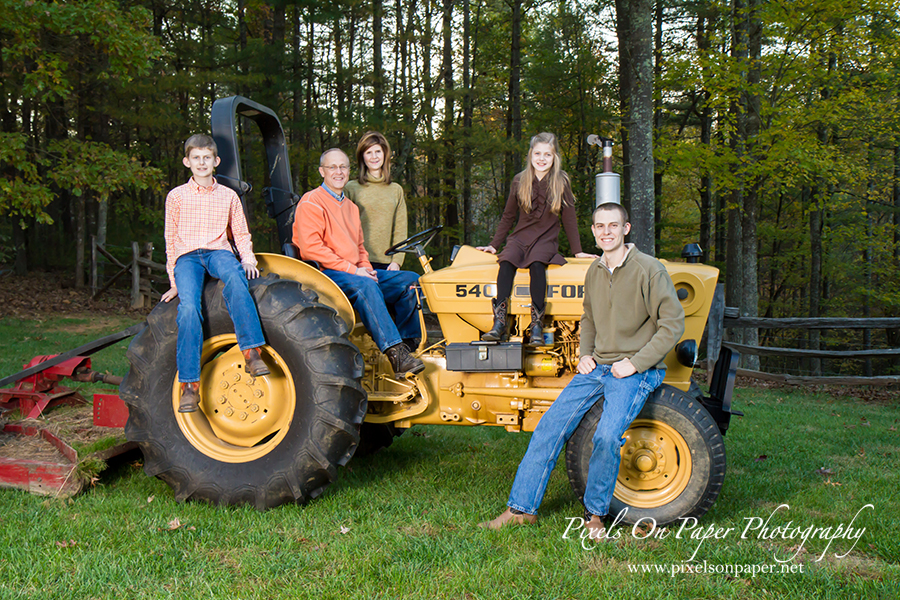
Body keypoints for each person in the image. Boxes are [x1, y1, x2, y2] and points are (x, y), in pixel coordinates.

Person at [480, 202, 685, 540]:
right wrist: (585, 354)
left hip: (633, 370)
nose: (606, 232)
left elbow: (672, 324)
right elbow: (588, 318)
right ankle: (521, 509)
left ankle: (595, 515)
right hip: (597, 367)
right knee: (548, 427)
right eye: (600, 226)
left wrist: (634, 363)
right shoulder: (594, 270)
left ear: (626, 228)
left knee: (606, 436)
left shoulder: (650, 269)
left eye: (613, 225)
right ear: (593, 231)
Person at [162, 134, 269, 413]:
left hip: (218, 251)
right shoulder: (176, 196)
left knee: (236, 279)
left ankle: (252, 352)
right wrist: (174, 282)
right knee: (188, 309)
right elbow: (170, 241)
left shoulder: (228, 196)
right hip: (187, 257)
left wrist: (247, 260)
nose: (201, 162)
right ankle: (189, 385)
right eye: (195, 158)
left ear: (215, 161)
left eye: (206, 158)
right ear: (187, 162)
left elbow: (241, 234)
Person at [292, 148, 424, 376]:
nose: (338, 172)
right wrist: (354, 270)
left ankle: (408, 342)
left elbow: (360, 248)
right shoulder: (312, 202)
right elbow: (311, 248)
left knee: (409, 281)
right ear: (322, 171)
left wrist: (366, 268)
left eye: (343, 166)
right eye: (332, 167)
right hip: (326, 274)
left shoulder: (351, 208)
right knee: (365, 285)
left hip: (354, 272)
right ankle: (396, 354)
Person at [477, 132, 595, 346]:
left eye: (547, 155)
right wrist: (494, 245)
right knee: (506, 261)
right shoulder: (520, 180)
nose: (542, 159)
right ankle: (499, 322)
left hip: (545, 238)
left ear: (555, 157)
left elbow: (569, 218)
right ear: (531, 154)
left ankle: (537, 324)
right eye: (538, 153)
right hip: (520, 237)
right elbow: (508, 216)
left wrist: (578, 251)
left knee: (537, 264)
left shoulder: (561, 181)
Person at [344, 131, 407, 272]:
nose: (374, 157)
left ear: (385, 154)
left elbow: (400, 231)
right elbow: (344, 228)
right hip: (358, 262)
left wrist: (397, 262)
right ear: (362, 157)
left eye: (378, 151)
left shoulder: (396, 190)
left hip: (388, 264)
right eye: (368, 152)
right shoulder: (351, 188)